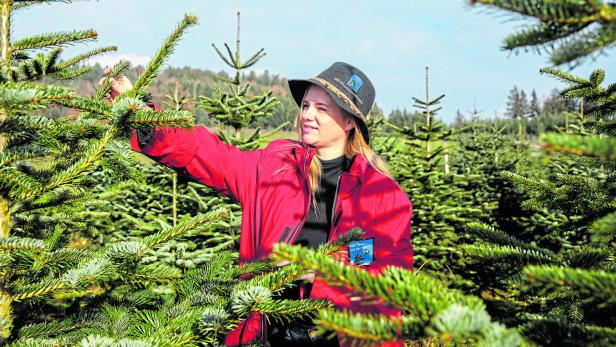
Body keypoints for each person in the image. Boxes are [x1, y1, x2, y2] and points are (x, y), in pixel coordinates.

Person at [104, 62, 413, 347]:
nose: (308, 115)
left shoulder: (382, 196)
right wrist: (139, 110)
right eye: (306, 105)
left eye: (321, 108)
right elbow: (205, 153)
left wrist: (317, 273)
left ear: (348, 121)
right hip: (266, 335)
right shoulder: (274, 166)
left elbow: (383, 269)